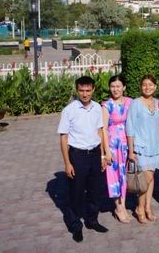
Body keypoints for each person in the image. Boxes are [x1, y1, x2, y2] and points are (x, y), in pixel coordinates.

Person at [57, 76, 108, 243]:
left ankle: (92, 220)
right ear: (77, 90)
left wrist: (102, 155)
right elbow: (64, 137)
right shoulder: (69, 110)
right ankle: (75, 225)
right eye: (81, 90)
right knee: (76, 192)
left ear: (93, 90)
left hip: (95, 154)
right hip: (77, 155)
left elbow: (100, 132)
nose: (85, 94)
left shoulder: (97, 108)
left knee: (95, 191)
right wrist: (67, 163)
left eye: (88, 90)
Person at [127, 75, 159, 224]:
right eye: (144, 85)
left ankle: (148, 207)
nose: (147, 87)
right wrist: (131, 150)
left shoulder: (157, 102)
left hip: (154, 147)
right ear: (141, 87)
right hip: (141, 147)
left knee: (151, 178)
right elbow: (130, 127)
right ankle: (140, 208)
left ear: (155, 86)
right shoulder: (135, 103)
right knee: (145, 179)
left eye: (150, 84)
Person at [101, 75, 132, 223]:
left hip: (126, 144)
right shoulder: (106, 105)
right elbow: (103, 129)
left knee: (123, 175)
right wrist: (106, 151)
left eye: (118, 86)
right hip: (113, 146)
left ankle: (123, 205)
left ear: (124, 87)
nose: (115, 89)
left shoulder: (130, 102)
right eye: (113, 86)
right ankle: (118, 207)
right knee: (114, 176)